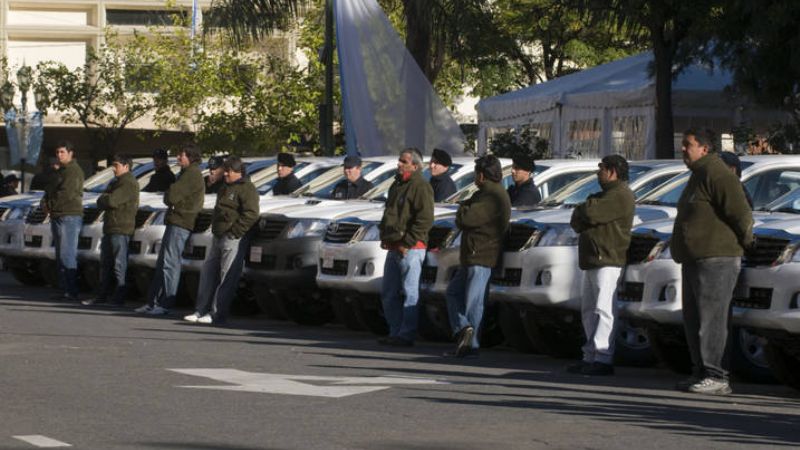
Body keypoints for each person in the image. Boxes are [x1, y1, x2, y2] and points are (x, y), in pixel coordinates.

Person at [671, 128, 753, 395]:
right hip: (695, 259)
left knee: (712, 320)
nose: (683, 149)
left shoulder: (717, 174)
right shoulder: (698, 175)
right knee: (694, 319)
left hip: (717, 259)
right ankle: (700, 371)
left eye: (688, 145)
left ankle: (717, 376)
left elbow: (741, 214)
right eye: (683, 145)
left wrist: (746, 242)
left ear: (704, 149)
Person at [567, 155, 635, 376]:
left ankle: (603, 357)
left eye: (602, 169)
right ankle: (590, 355)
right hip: (593, 259)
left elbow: (589, 212)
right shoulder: (603, 195)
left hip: (608, 258)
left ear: (613, 171)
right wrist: (584, 210)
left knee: (604, 309)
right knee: (588, 309)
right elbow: (577, 217)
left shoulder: (620, 195)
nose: (598, 173)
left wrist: (585, 209)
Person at [444, 154, 511, 358]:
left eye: (476, 173)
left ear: (482, 175)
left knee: (474, 301)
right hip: (473, 254)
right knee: (453, 293)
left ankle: (470, 345)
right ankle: (464, 329)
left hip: (482, 253)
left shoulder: (492, 195)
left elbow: (467, 218)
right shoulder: (484, 193)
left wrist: (462, 208)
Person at [184, 156, 260, 325]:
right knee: (208, 273)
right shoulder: (225, 186)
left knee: (227, 277)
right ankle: (201, 310)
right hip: (218, 235)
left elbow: (252, 213)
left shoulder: (247, 188)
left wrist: (235, 232)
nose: (225, 173)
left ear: (238, 172)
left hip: (232, 237)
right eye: (224, 170)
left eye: (229, 171)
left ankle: (217, 313)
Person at [135, 144, 205, 315]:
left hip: (181, 222)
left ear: (190, 156)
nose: (178, 158)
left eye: (181, 155)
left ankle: (166, 303)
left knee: (170, 263)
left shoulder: (191, 174)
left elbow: (171, 196)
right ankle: (153, 301)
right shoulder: (185, 174)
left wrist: (170, 194)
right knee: (162, 262)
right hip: (175, 220)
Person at [378, 148, 434, 346]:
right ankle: (395, 331)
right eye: (399, 160)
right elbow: (389, 214)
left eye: (404, 161)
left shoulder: (420, 186)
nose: (399, 164)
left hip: (411, 248)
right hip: (394, 246)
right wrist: (384, 236)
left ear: (415, 166)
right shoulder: (397, 184)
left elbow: (425, 219)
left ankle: (406, 334)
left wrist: (407, 243)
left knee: (410, 292)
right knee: (388, 292)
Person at [83, 154, 139, 307]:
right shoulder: (116, 182)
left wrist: (106, 198)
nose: (114, 169)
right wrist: (105, 198)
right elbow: (102, 199)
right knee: (106, 263)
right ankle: (102, 295)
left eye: (116, 165)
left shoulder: (128, 183)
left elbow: (112, 201)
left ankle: (119, 297)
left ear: (126, 166)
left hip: (121, 228)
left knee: (119, 264)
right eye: (113, 165)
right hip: (111, 227)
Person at [42, 141, 85, 301]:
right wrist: (45, 204)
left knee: (68, 254)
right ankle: (64, 289)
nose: (59, 155)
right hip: (58, 215)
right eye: (58, 152)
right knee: (61, 254)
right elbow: (50, 190)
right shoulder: (61, 171)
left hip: (69, 215)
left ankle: (71, 290)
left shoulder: (73, 171)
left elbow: (67, 194)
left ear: (70, 153)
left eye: (62, 152)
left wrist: (50, 206)